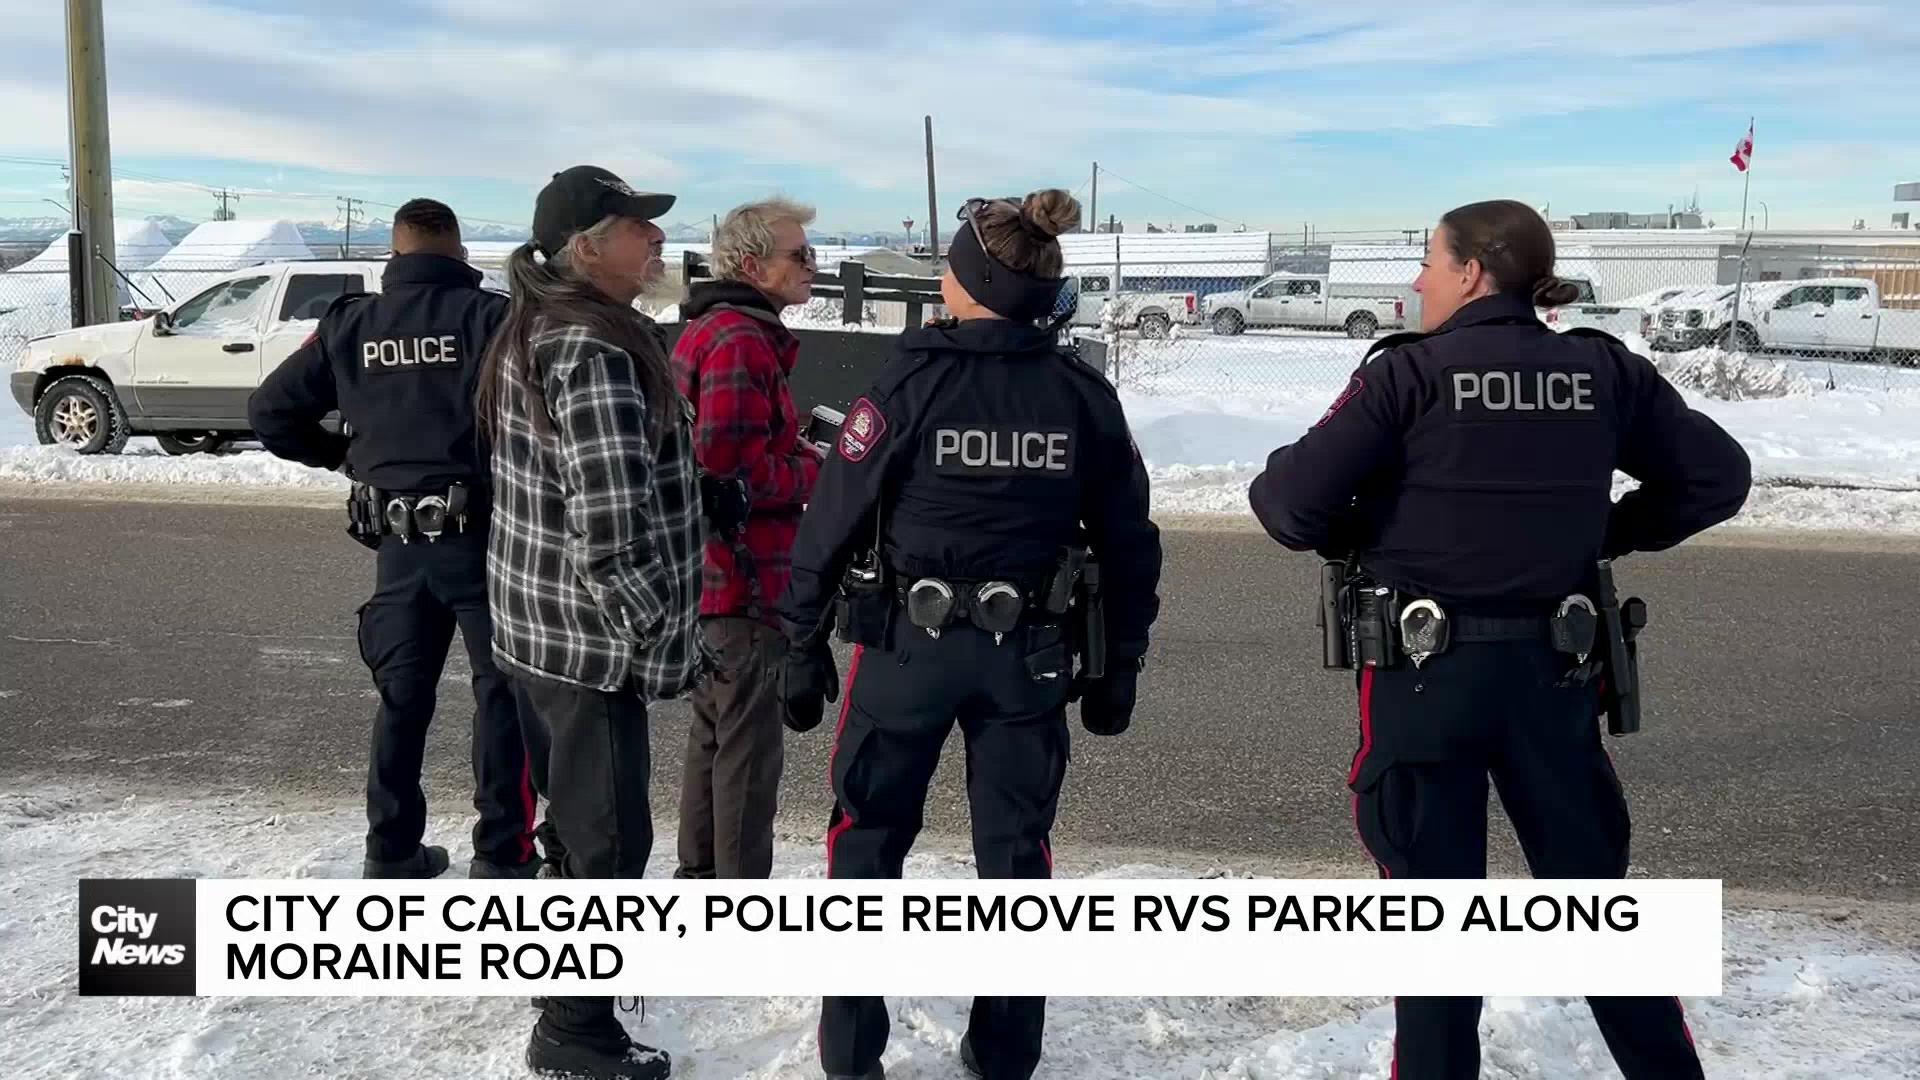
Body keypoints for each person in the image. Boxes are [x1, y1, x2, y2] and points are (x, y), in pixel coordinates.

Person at [1247, 199, 1751, 1080]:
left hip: (1424, 684)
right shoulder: (1603, 372)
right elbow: (1718, 477)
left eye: (1430, 263)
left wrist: (1375, 522)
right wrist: (1610, 529)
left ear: (1473, 271)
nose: (1417, 279)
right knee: (1599, 917)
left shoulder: (1408, 375)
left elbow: (1289, 504)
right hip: (1554, 682)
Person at [776, 189, 1163, 1080]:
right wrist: (1124, 663)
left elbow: (829, 520)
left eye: (949, 266)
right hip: (1027, 660)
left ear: (972, 281)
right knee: (1017, 862)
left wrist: (799, 640)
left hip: (907, 657)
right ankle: (1003, 1057)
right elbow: (1130, 540)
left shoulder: (908, 384)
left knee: (866, 847)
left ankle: (850, 1054)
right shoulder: (1081, 394)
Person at [478, 165, 702, 1080]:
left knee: (573, 824)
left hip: (537, 629)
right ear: (585, 247)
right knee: (609, 838)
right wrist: (658, 639)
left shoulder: (539, 322)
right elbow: (608, 523)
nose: (653, 241)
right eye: (635, 227)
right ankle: (573, 1034)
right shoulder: (595, 348)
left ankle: (562, 987)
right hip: (591, 644)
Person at [247, 197, 537, 881]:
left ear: (394, 254)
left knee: (403, 699)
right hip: (486, 542)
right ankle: (501, 855)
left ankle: (392, 849)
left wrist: (340, 456)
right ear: (462, 255)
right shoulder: (492, 318)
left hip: (399, 547)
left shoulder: (352, 323)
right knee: (502, 695)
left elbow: (270, 412)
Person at [669, 197, 826, 881]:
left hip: (714, 579)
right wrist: (818, 469)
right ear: (755, 265)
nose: (812, 266)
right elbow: (728, 474)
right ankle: (736, 906)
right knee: (747, 753)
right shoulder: (738, 341)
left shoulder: (721, 328)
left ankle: (700, 878)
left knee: (715, 733)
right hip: (742, 580)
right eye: (801, 254)